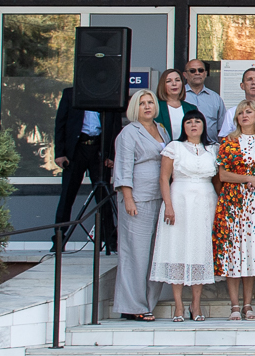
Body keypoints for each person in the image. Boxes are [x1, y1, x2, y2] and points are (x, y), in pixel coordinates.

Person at [151, 110, 217, 321]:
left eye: (197, 121)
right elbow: (164, 178)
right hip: (179, 201)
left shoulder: (212, 149)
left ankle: (195, 305)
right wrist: (168, 205)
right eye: (189, 122)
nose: (193, 125)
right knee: (177, 250)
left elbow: (218, 180)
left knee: (200, 251)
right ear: (183, 126)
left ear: (203, 125)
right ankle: (178, 306)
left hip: (205, 203)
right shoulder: (174, 147)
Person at [214, 101, 255, 318]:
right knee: (234, 252)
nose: (244, 115)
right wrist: (248, 178)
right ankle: (234, 305)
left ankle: (248, 304)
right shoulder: (228, 141)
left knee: (250, 252)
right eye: (240, 112)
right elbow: (223, 175)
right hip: (232, 203)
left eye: (248, 112)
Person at [111, 91, 167, 322]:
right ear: (135, 107)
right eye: (142, 103)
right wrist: (128, 198)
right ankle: (132, 305)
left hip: (159, 197)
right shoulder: (129, 132)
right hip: (138, 199)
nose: (147, 106)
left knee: (155, 253)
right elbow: (123, 167)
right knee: (136, 253)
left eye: (150, 102)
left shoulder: (161, 129)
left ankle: (147, 303)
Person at [51, 82, 121, 253]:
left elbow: (115, 126)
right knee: (67, 195)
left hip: (99, 149)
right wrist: (60, 153)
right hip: (76, 150)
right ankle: (59, 239)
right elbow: (60, 123)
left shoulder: (108, 96)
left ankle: (110, 239)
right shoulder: (71, 94)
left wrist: (112, 154)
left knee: (103, 196)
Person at [181, 58, 227, 142]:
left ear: (205, 74)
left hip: (210, 146)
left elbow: (222, 129)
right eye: (192, 71)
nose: (197, 73)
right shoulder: (179, 95)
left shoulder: (215, 98)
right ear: (185, 75)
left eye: (201, 70)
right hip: (184, 146)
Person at [151, 68, 198, 144]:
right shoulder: (156, 107)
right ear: (163, 85)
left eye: (177, 80)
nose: (174, 84)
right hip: (163, 149)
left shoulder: (191, 108)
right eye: (169, 81)